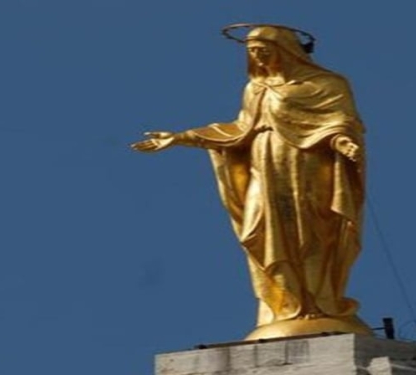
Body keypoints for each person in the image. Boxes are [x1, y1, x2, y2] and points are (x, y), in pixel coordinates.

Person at [131, 25, 370, 339]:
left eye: (263, 49)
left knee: (313, 235)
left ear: (286, 49)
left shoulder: (328, 84)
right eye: (252, 52)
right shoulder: (255, 90)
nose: (258, 57)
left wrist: (342, 142)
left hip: (308, 165)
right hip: (264, 167)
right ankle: (285, 307)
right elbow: (239, 130)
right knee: (260, 232)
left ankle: (321, 306)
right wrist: (181, 138)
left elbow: (342, 121)